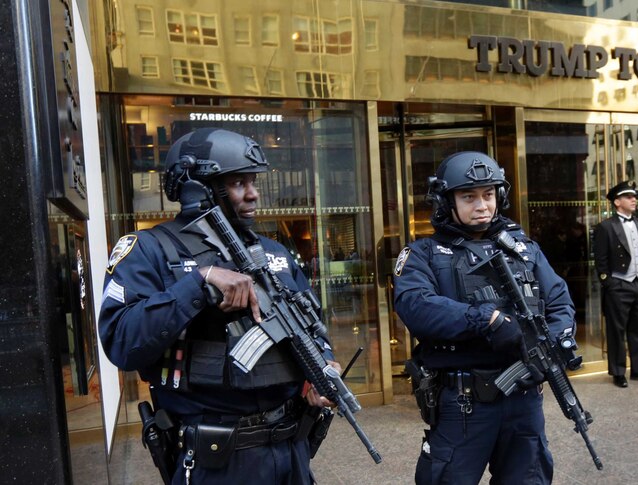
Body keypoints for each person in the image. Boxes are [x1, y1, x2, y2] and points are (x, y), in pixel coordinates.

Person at [99, 128, 338, 484]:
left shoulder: (273, 253)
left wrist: (321, 366)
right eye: (239, 182)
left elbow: (308, 322)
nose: (254, 194)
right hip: (215, 460)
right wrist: (199, 283)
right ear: (200, 188)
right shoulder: (149, 250)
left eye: (253, 181)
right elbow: (122, 341)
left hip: (290, 450)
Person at [394, 151, 575, 484]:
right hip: (464, 404)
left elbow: (560, 302)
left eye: (489, 195)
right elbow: (415, 306)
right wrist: (486, 320)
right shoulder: (423, 254)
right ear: (446, 201)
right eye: (469, 197)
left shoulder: (523, 248)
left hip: (523, 398)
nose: (482, 205)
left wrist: (551, 342)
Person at [593, 180, 638, 388]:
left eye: (634, 196)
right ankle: (618, 372)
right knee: (616, 331)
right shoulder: (605, 227)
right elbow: (601, 262)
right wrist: (610, 284)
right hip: (619, 285)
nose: (634, 200)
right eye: (629, 197)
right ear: (617, 202)